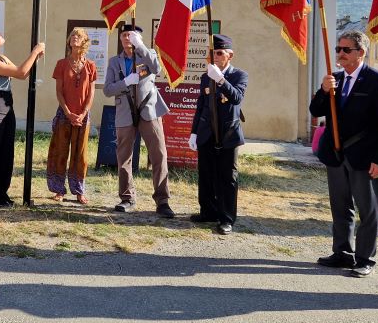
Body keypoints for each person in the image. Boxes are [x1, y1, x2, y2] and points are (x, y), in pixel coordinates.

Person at [309, 30, 378, 278]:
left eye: (346, 50)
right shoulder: (335, 79)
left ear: (361, 52)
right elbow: (315, 110)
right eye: (338, 49)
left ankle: (365, 258)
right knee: (340, 206)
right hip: (336, 154)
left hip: (364, 156)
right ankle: (342, 252)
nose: (340, 54)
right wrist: (323, 90)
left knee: (368, 210)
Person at [103, 24, 175, 218]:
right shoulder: (114, 61)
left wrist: (141, 46)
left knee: (158, 154)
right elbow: (108, 89)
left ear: (138, 38)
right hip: (125, 112)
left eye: (131, 35)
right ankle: (127, 198)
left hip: (148, 110)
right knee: (124, 157)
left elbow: (157, 68)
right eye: (124, 35)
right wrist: (125, 82)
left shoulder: (148, 54)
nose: (127, 38)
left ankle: (162, 200)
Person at [0, 26, 45, 207]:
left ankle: (1, 193)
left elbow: (23, 72)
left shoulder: (1, 58)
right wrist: (34, 51)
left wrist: (35, 57)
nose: (0, 34)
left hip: (6, 106)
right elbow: (20, 73)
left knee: (6, 153)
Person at [188, 34, 248, 235]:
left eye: (220, 53)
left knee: (227, 177)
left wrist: (221, 80)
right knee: (206, 174)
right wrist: (194, 132)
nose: (215, 56)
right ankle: (208, 212)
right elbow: (201, 106)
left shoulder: (239, 75)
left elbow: (236, 97)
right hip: (207, 132)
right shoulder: (206, 76)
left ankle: (226, 218)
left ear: (230, 55)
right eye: (213, 53)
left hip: (228, 133)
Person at [46, 27, 97, 204]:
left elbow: (91, 94)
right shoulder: (61, 64)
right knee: (60, 151)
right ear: (69, 41)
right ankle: (59, 190)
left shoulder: (91, 66)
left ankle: (79, 191)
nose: (74, 37)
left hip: (83, 116)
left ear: (84, 41)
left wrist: (83, 113)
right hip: (64, 114)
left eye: (78, 36)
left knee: (80, 154)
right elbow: (59, 92)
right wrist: (68, 113)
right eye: (72, 35)